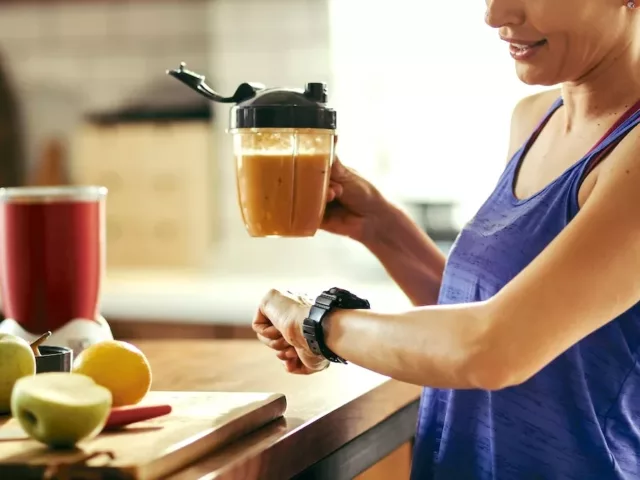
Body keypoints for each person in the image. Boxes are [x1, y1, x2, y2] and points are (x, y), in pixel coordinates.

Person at [252, 0, 640, 478]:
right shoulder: (534, 118)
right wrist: (380, 225)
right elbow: (503, 317)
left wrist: (317, 325)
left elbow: (492, 350)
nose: (496, 16)